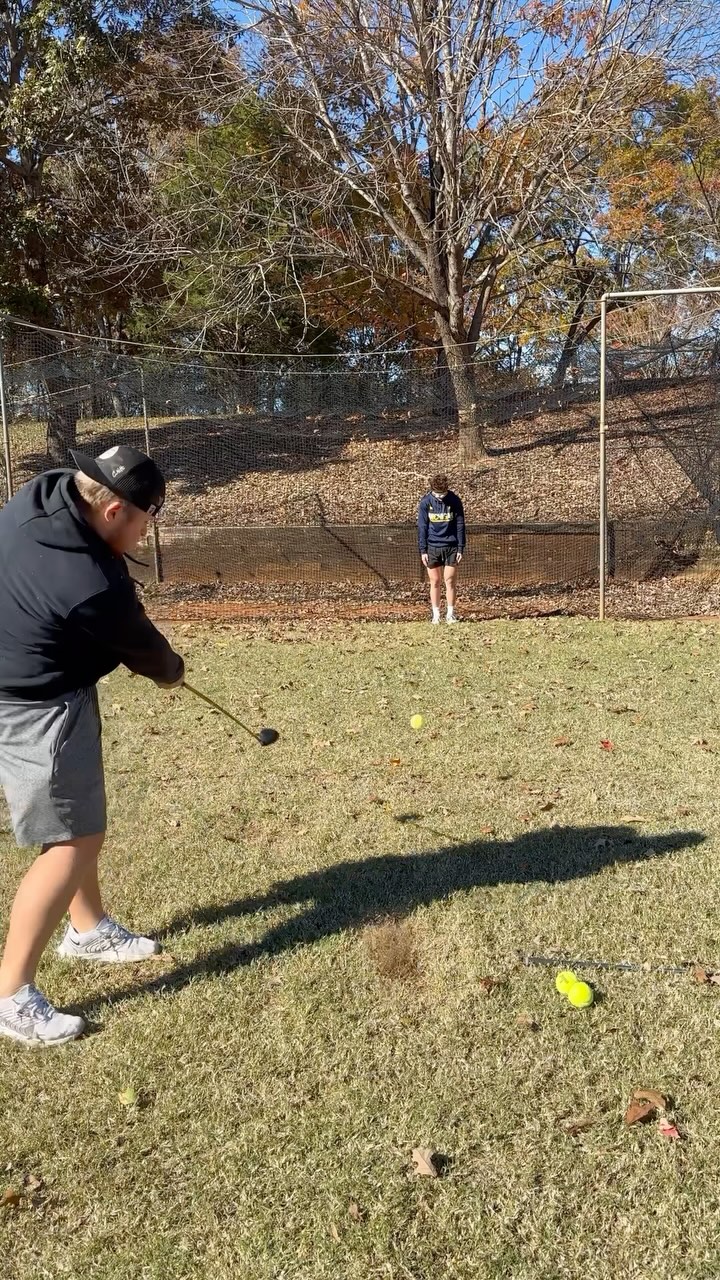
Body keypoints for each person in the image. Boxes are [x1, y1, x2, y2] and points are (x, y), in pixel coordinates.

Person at [0, 445, 185, 1047]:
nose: (145, 533)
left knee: (77, 822)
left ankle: (87, 927)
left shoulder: (46, 491)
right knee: (74, 840)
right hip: (35, 706)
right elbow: (146, 650)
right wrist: (172, 671)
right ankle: (11, 995)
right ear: (113, 511)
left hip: (32, 676)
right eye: (145, 520)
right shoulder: (89, 583)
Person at [417, 474, 466, 624]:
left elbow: (460, 525)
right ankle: (436, 615)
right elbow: (422, 527)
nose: (440, 497)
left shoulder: (454, 500)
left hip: (451, 546)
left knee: (449, 580)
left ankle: (450, 614)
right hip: (432, 547)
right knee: (435, 581)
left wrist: (460, 548)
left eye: (442, 494)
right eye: (437, 494)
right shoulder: (426, 502)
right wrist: (423, 550)